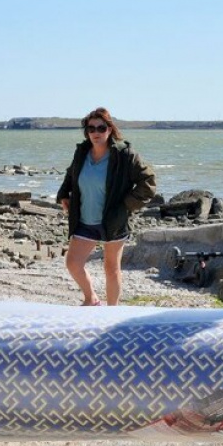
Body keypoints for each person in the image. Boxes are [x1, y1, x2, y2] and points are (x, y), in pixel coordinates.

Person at [55, 107, 157, 306]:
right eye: (91, 128)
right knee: (73, 263)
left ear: (109, 129)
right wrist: (63, 194)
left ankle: (112, 312)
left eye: (101, 128)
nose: (96, 133)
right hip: (85, 219)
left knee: (111, 268)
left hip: (113, 221)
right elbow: (71, 174)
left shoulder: (124, 155)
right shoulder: (82, 152)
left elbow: (149, 182)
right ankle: (91, 298)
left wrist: (125, 206)